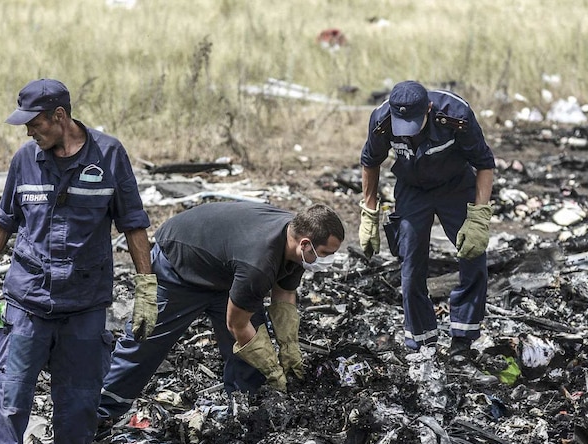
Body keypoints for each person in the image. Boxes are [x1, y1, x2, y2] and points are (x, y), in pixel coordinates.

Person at [0, 78, 155, 444]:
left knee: (79, 399)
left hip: (84, 302)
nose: (28, 131)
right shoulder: (25, 160)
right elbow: (2, 223)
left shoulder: (109, 156)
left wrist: (146, 290)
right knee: (12, 390)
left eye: (35, 123)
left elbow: (133, 224)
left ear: (60, 117)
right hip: (28, 299)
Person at [98, 201, 345, 424]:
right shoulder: (259, 264)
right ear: (305, 243)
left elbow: (285, 295)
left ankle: (245, 411)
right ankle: (101, 410)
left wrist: (289, 347)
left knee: (250, 357)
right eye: (326, 254)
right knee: (146, 342)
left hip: (227, 270)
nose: (328, 260)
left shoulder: (297, 238)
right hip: (180, 264)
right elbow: (237, 325)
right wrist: (273, 368)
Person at [359, 80, 497, 383]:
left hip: (455, 187)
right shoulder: (383, 121)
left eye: (414, 123)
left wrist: (479, 216)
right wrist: (369, 213)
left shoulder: (456, 113)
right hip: (412, 190)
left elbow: (485, 163)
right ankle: (423, 345)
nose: (407, 130)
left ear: (429, 110)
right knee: (410, 265)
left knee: (474, 257)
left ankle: (462, 343)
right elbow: (370, 162)